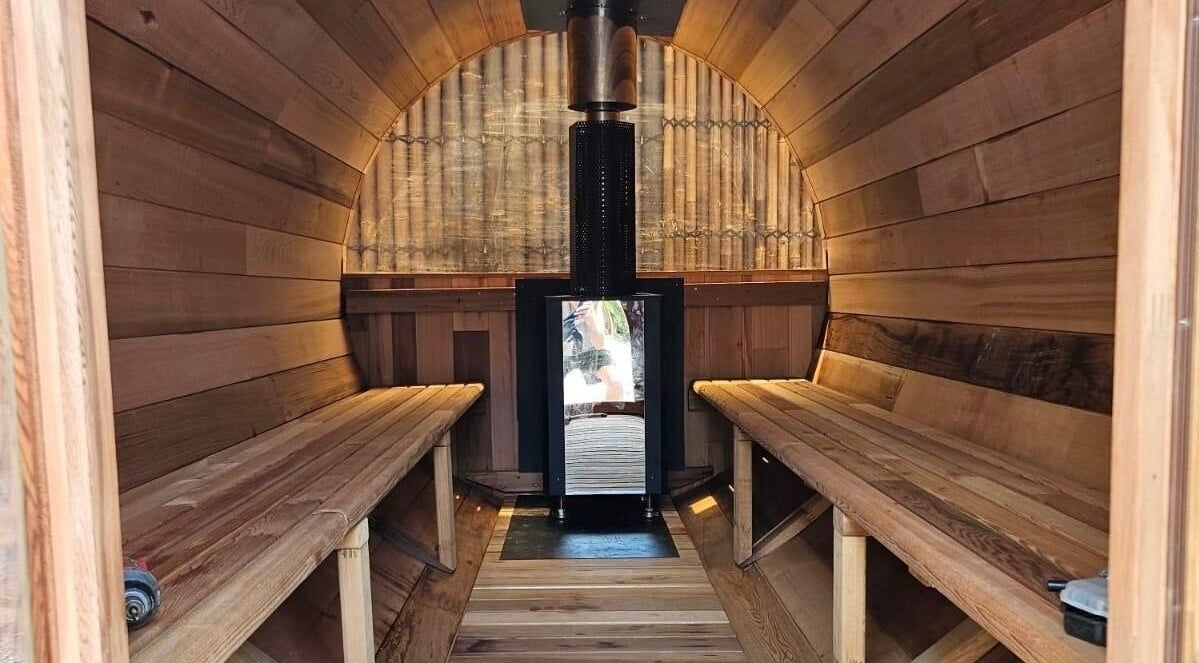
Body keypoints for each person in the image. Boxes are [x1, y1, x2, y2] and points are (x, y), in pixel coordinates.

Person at [562, 300, 629, 402]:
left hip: (591, 350)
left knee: (616, 385)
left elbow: (599, 344)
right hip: (562, 353)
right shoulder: (557, 302)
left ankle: (607, 410)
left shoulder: (594, 301)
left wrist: (591, 319)